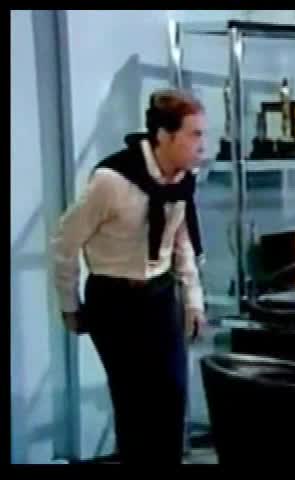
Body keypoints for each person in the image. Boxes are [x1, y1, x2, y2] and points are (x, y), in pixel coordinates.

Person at [52, 89, 208, 463]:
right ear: (164, 136)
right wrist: (69, 305)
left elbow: (181, 239)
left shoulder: (183, 178)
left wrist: (193, 300)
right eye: (194, 134)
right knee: (133, 402)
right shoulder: (113, 180)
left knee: (171, 395)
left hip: (160, 295)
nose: (201, 145)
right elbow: (65, 241)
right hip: (115, 300)